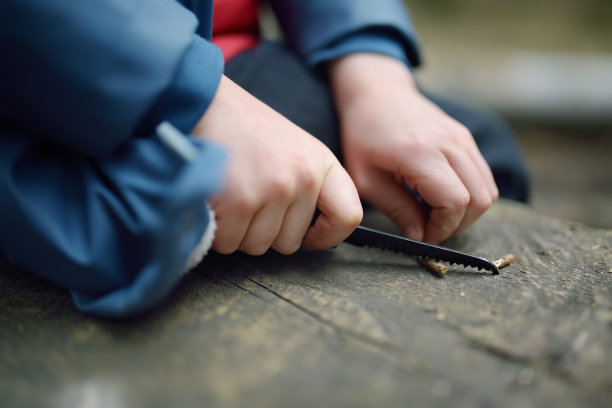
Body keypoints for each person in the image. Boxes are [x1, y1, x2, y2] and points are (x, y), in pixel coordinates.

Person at [0, 0, 529, 318]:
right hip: (71, 95)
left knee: (474, 156)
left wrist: (371, 68)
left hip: (223, 74)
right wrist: (190, 94)